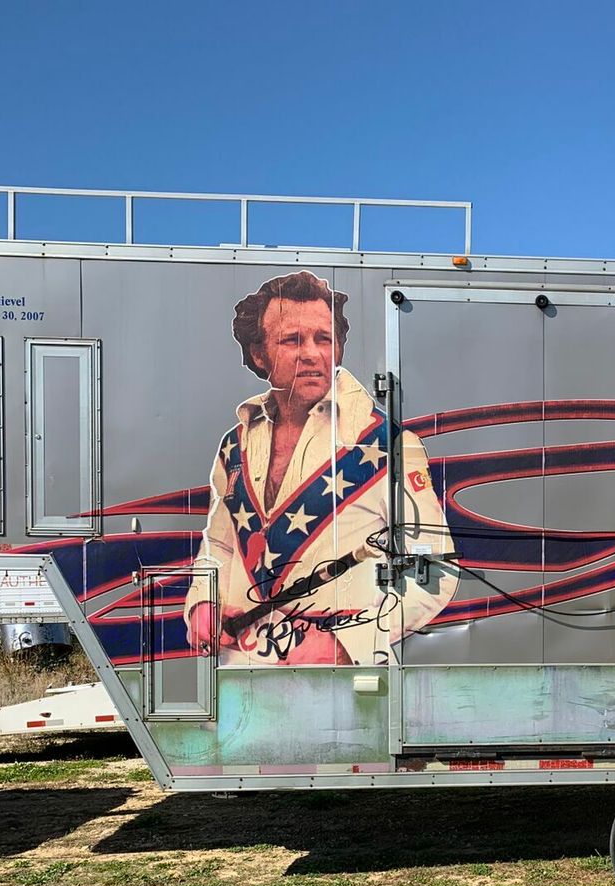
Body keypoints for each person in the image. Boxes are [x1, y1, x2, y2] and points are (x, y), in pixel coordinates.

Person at [185, 271, 455, 665]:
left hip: (346, 679)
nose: (311, 353)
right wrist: (203, 602)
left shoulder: (388, 445)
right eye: (292, 340)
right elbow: (219, 545)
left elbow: (435, 568)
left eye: (324, 339)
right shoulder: (235, 445)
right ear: (259, 354)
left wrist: (346, 643)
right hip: (241, 669)